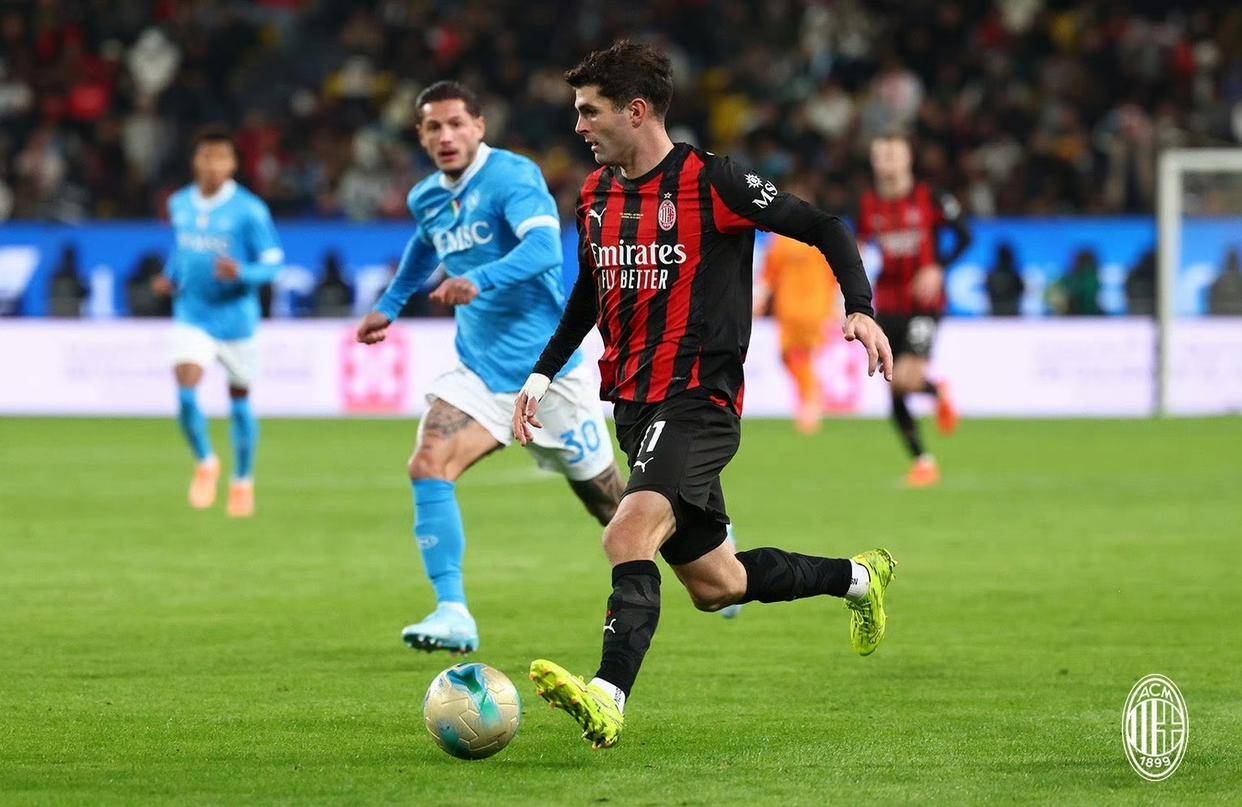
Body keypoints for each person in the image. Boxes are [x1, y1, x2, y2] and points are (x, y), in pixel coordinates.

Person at [510, 41, 896, 750]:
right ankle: (858, 577)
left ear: (636, 111)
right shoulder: (594, 196)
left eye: (590, 112)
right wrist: (540, 375)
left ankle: (607, 697)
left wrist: (861, 307)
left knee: (625, 533)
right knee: (718, 584)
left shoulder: (713, 181)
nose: (578, 126)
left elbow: (824, 226)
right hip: (633, 407)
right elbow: (590, 294)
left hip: (697, 401)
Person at [355, 81, 626, 655]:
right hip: (479, 371)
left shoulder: (512, 177)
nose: (446, 135)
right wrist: (390, 304)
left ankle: (710, 549)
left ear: (479, 126)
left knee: (612, 506)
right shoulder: (427, 197)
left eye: (457, 123)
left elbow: (545, 250)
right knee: (428, 463)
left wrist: (479, 279)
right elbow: (424, 246)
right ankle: (452, 611)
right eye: (433, 126)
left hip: (548, 375)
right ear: (421, 135)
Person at [153, 127, 283, 517]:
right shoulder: (179, 203)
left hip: (237, 321)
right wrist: (170, 276)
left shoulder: (250, 210)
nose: (213, 165)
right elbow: (181, 249)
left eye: (221, 157)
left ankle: (242, 480)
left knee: (239, 401)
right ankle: (206, 462)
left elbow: (273, 265)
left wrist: (243, 272)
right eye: (206, 156)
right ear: (195, 160)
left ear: (233, 164)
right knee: (185, 389)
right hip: (192, 315)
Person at [856, 133, 971, 487]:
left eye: (894, 155)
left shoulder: (930, 196)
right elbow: (859, 246)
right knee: (894, 386)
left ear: (907, 159)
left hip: (924, 304)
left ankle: (935, 391)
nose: (887, 162)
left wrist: (938, 267)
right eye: (881, 156)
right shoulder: (868, 203)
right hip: (887, 305)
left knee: (906, 379)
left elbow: (965, 236)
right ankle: (923, 461)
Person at [753, 217, 843, 433]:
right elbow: (837, 274)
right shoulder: (821, 237)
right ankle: (810, 398)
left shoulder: (781, 240)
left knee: (796, 355)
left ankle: (811, 402)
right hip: (812, 309)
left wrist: (760, 298)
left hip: (797, 309)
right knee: (794, 356)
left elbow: (769, 274)